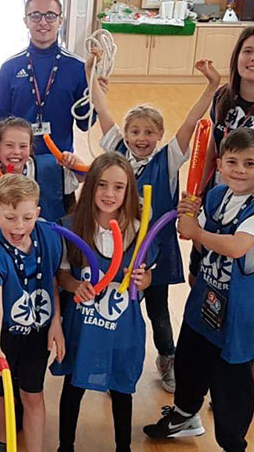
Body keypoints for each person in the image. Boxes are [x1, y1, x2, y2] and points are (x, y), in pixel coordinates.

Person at [87, 55, 221, 393]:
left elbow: (191, 121)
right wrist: (92, 75)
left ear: (160, 134)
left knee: (158, 310)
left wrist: (211, 86)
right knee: (116, 305)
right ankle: (113, 359)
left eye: (149, 132)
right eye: (135, 131)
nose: (141, 138)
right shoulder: (116, 151)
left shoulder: (169, 157)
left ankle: (167, 356)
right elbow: (102, 112)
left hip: (156, 249)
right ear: (126, 133)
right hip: (118, 245)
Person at [144, 127, 254, 452]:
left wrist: (196, 232)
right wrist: (188, 220)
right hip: (203, 304)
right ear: (219, 165)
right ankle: (183, 416)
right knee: (189, 362)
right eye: (232, 162)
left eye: (250, 164)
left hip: (236, 318)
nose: (240, 170)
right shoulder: (217, 196)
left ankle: (232, 443)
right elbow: (194, 231)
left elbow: (237, 247)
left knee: (230, 386)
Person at [51, 152, 151, 452]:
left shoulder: (139, 229)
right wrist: (74, 286)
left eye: (118, 188)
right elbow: (63, 276)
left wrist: (142, 280)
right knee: (74, 386)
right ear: (90, 185)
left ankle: (124, 447)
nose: (109, 194)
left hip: (121, 330)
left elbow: (146, 282)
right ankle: (64, 446)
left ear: (129, 191)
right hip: (83, 327)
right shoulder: (72, 226)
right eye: (102, 185)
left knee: (121, 389)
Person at [0, 173, 65, 452]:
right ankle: (3, 442)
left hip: (37, 333)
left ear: (37, 213)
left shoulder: (48, 236)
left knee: (33, 394)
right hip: (2, 334)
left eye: (27, 218)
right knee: (2, 395)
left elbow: (52, 279)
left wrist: (56, 322)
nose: (19, 226)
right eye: (10, 217)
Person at [0, 0, 102, 154]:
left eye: (50, 15)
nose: (43, 22)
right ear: (25, 21)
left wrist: (96, 97)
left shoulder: (78, 67)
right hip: (18, 160)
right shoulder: (10, 67)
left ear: (60, 21)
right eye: (35, 15)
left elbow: (84, 124)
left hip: (59, 160)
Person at [0, 117, 84, 222]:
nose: (16, 151)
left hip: (52, 236)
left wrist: (74, 163)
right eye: (9, 145)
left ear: (30, 149)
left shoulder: (50, 167)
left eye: (23, 146)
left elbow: (85, 177)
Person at [203, 26, 254, 187]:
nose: (252, 58)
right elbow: (213, 148)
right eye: (247, 51)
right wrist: (200, 190)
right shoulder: (223, 95)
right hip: (219, 190)